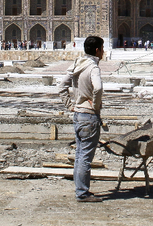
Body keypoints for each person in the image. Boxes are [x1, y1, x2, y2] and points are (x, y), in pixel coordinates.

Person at [58, 35, 105, 202]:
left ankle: (80, 190)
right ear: (97, 50)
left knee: (79, 155)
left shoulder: (77, 64)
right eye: (102, 49)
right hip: (89, 116)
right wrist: (96, 106)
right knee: (85, 157)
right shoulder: (93, 67)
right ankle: (82, 193)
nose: (103, 52)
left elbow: (61, 86)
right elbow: (98, 88)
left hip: (77, 115)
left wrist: (69, 105)